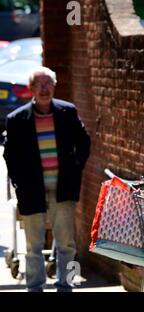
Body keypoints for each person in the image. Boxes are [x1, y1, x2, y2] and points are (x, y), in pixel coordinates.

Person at [3, 67, 91, 292]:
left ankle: (67, 286)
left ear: (54, 86)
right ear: (31, 88)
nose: (44, 89)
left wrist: (76, 166)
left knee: (67, 245)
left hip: (63, 190)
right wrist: (19, 183)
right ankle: (34, 288)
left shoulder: (67, 112)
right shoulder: (17, 119)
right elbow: (10, 155)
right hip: (31, 192)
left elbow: (83, 141)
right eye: (39, 84)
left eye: (48, 84)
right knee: (33, 246)